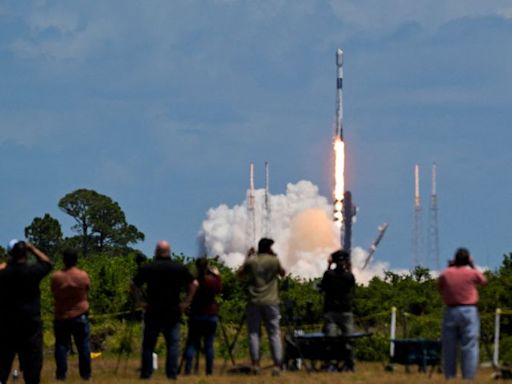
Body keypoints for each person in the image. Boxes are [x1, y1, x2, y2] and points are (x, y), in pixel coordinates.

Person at [132, 240, 198, 380]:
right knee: (173, 344)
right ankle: (172, 374)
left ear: (156, 251)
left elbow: (134, 284)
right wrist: (186, 302)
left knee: (149, 344)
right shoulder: (178, 268)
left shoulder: (148, 268)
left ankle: (146, 373)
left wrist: (140, 301)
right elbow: (194, 284)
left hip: (153, 310)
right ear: (169, 251)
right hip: (172, 310)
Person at [0, 240, 53, 384]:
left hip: (7, 325)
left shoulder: (5, 274)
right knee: (32, 365)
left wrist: (8, 262)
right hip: (30, 326)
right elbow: (48, 263)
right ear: (26, 254)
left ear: (11, 255)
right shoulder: (32, 272)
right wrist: (32, 248)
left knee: (3, 364)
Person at [438, 248, 487, 380]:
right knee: (469, 345)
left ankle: (449, 376)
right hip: (469, 310)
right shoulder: (471, 273)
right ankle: (468, 377)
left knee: (449, 346)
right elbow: (483, 281)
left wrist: (450, 267)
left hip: (451, 310)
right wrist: (472, 265)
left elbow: (440, 286)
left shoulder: (446, 273)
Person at [238, 238, 285, 375]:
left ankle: (255, 364)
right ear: (269, 248)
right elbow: (282, 273)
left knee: (253, 333)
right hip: (271, 302)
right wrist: (275, 257)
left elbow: (240, 275)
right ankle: (277, 365)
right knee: (274, 333)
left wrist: (247, 257)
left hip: (254, 301)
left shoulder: (252, 261)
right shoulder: (274, 261)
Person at [51, 248, 91, 381]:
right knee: (83, 346)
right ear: (76, 260)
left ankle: (61, 374)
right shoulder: (83, 276)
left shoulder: (56, 277)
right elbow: (87, 290)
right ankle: (85, 375)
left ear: (63, 260)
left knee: (61, 346)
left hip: (62, 316)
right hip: (80, 315)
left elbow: (53, 292)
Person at [319, 249, 356, 371]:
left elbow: (322, 287)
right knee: (348, 339)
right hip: (345, 311)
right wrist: (349, 267)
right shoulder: (348, 276)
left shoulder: (329, 274)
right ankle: (349, 363)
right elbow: (352, 283)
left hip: (331, 312)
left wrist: (328, 265)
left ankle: (331, 362)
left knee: (330, 339)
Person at [183, 258, 222, 375]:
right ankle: (209, 371)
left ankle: (188, 369)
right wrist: (217, 275)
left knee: (192, 344)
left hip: (196, 315)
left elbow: (188, 292)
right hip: (211, 315)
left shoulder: (194, 281)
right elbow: (219, 289)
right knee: (209, 344)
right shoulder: (214, 280)